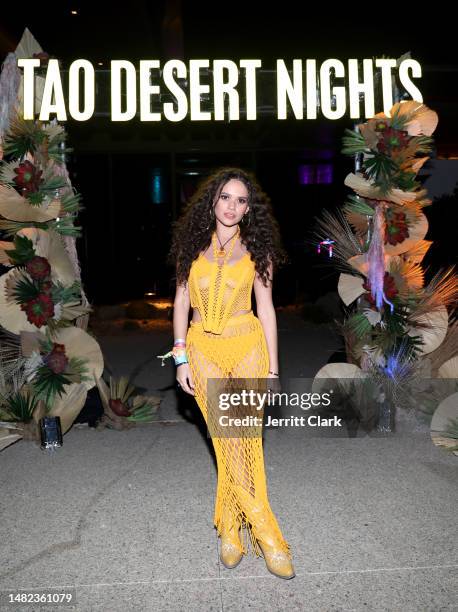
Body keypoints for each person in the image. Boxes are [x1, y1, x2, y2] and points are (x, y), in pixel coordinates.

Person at [159, 167, 295, 579]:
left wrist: (273, 367)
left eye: (241, 200)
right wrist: (180, 356)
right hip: (204, 348)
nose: (233, 207)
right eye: (225, 198)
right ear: (211, 201)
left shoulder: (258, 249)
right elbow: (181, 303)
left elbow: (267, 308)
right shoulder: (190, 245)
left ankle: (231, 528)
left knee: (245, 441)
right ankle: (268, 533)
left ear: (249, 207)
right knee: (226, 441)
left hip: (248, 344)